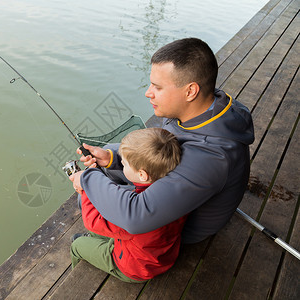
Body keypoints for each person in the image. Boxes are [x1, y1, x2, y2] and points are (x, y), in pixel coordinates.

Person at [70, 37, 254, 244]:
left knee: (87, 195)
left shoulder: (210, 158)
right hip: (175, 195)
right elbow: (155, 152)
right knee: (107, 164)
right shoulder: (205, 107)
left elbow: (136, 216)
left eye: (157, 87)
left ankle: (104, 247)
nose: (148, 93)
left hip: (176, 232)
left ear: (190, 91)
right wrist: (112, 157)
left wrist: (87, 179)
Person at [71, 127, 185, 282]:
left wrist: (85, 190)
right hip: (158, 254)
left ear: (142, 175)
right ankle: (95, 243)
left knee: (77, 245)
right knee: (100, 237)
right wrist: (109, 161)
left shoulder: (137, 215)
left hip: (135, 267)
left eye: (124, 164)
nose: (122, 165)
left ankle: (77, 279)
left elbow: (93, 222)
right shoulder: (178, 192)